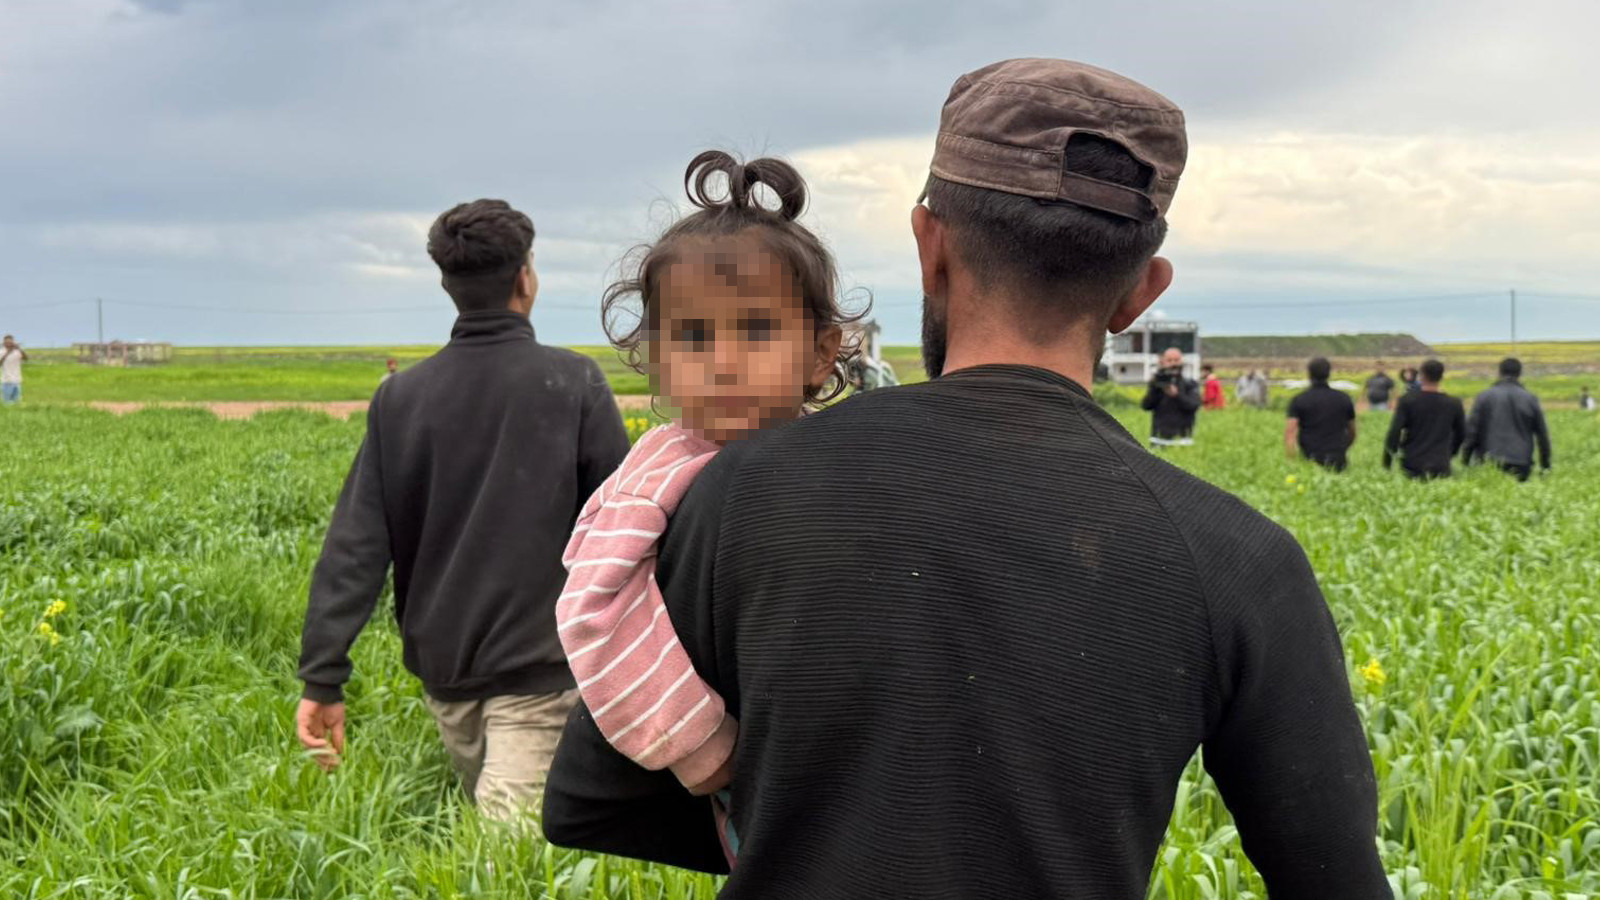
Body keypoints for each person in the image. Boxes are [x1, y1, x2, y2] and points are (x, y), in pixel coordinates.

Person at [544, 58, 1388, 897]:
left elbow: (589, 803)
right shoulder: (1240, 558)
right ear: (1140, 292)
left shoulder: (731, 489)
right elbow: (1336, 876)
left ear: (930, 245)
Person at [295, 199, 630, 820]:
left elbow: (356, 546)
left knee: (505, 855)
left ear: (449, 286)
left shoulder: (402, 397)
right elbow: (626, 531)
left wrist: (324, 676)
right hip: (542, 663)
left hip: (459, 677)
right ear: (525, 279)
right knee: (512, 861)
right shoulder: (574, 382)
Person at [556, 151, 853, 808]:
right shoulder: (658, 478)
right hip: (742, 767)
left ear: (821, 352)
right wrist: (698, 742)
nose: (722, 362)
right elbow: (593, 613)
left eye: (756, 331)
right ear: (656, 358)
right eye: (692, 336)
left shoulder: (836, 452)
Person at [1461, 357, 1551, 481]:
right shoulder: (1530, 399)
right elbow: (1542, 435)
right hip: (1520, 461)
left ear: (1499, 372)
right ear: (1519, 374)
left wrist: (1465, 460)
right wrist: (1545, 466)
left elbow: (1472, 431)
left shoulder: (1484, 397)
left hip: (1489, 460)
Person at [1383, 358, 1465, 479]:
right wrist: (1451, 453)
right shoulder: (1454, 403)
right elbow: (1462, 433)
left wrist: (1387, 461)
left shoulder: (1407, 400)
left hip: (1412, 462)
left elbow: (1394, 432)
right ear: (1441, 376)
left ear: (1421, 375)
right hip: (1441, 463)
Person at [1285, 357, 1357, 471]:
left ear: (1309, 374)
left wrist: (1292, 462)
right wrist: (1342, 449)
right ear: (1329, 373)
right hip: (1338, 459)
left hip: (1310, 459)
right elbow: (1352, 431)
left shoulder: (1299, 400)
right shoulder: (1344, 399)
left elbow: (1290, 433)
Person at [1141, 346, 1201, 445]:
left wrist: (1177, 395)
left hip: (1183, 439)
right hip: (1158, 438)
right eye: (1169, 360)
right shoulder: (1157, 383)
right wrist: (1155, 388)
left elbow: (1194, 406)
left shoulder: (1190, 383)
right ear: (1162, 362)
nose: (1173, 363)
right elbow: (1146, 406)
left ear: (1182, 362)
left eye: (1176, 360)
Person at [1, 335, 27, 405]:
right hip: (7, 381)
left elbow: (25, 358)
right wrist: (8, 352)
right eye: (7, 342)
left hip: (17, 380)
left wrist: (19, 348)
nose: (9, 344)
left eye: (10, 342)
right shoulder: (1, 351)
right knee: (7, 403)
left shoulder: (17, 352)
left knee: (17, 402)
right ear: (4, 343)